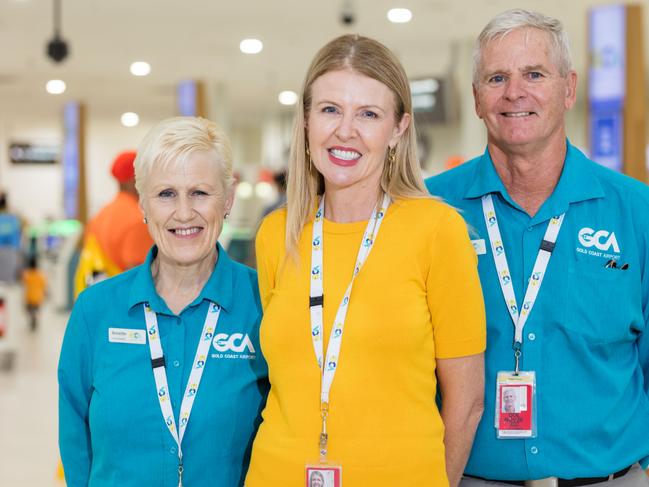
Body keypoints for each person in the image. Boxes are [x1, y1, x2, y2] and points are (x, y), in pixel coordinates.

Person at [246, 34, 486, 487]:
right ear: (306, 121)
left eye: (369, 115)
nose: (345, 131)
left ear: (398, 129)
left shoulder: (437, 231)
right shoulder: (277, 234)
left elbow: (468, 400)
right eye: (330, 109)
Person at [426, 9, 649, 486]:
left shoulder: (636, 211)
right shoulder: (430, 209)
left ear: (568, 89)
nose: (514, 92)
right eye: (496, 77)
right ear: (477, 99)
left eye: (534, 74)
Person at [59, 117, 269, 486]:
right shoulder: (95, 310)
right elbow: (76, 440)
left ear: (229, 199)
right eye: (166, 194)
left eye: (200, 192)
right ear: (143, 204)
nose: (184, 212)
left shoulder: (263, 302)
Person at [74, 150, 153, 295]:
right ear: (134, 178)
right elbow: (139, 276)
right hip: (124, 305)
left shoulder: (99, 216)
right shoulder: (137, 219)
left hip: (101, 299)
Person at [22, 253, 46, 331]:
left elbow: (24, 282)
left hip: (29, 297)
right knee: (36, 309)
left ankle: (32, 317)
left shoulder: (27, 274)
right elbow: (44, 285)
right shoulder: (40, 275)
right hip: (38, 298)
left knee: (28, 309)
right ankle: (35, 317)